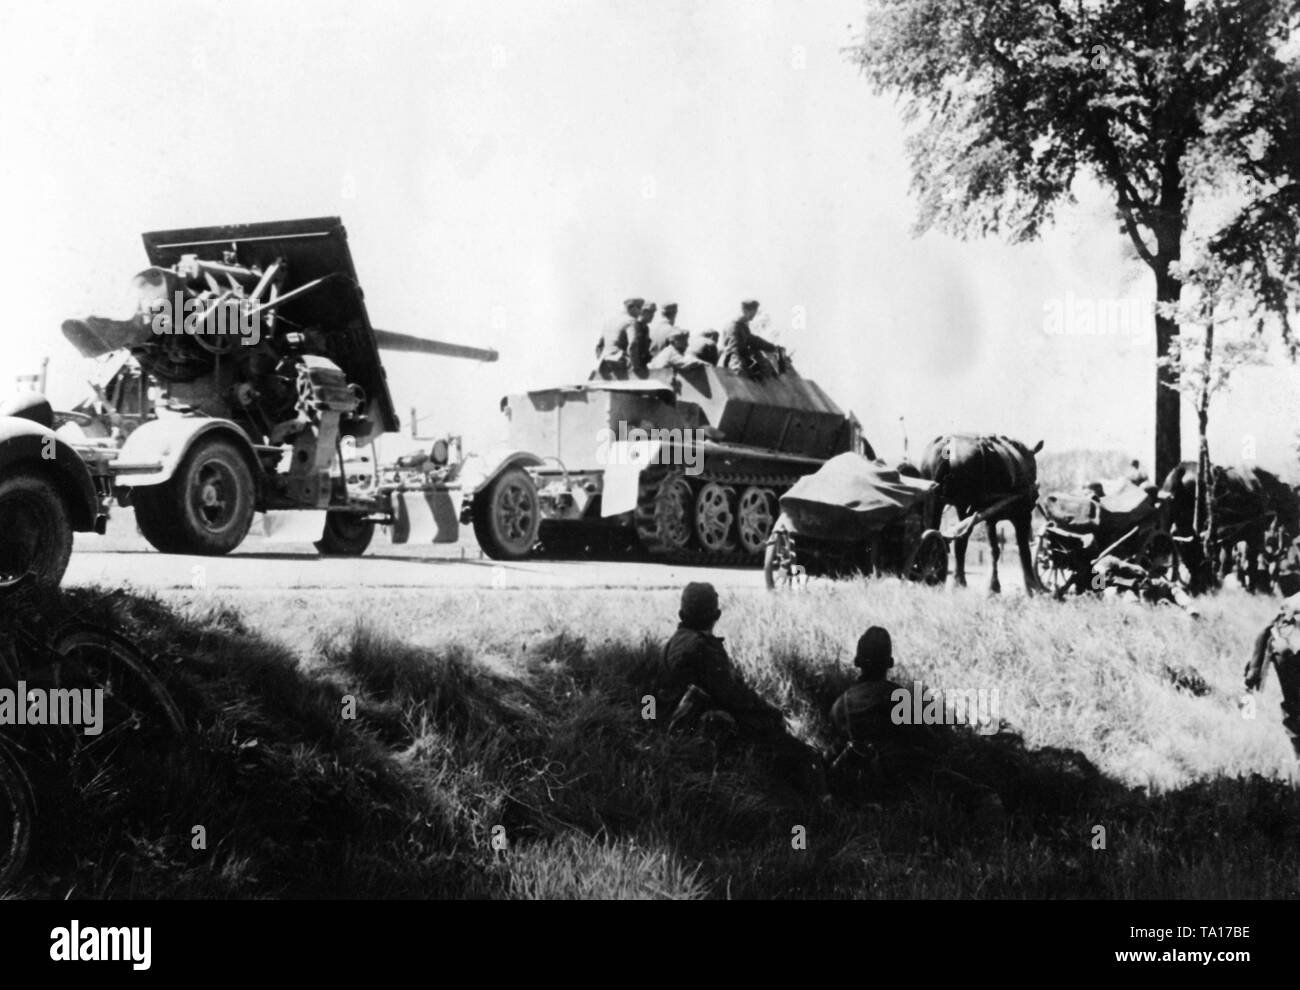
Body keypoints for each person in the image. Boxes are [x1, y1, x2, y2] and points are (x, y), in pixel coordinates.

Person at [645, 582, 825, 792]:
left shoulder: (671, 644)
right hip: (696, 729)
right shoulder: (704, 648)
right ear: (717, 615)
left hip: (672, 727)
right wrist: (772, 714)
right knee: (800, 753)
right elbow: (734, 697)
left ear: (681, 614)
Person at [1245, 593, 1300, 760]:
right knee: (1294, 707)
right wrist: (1255, 667)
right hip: (1288, 654)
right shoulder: (1292, 603)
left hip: (1286, 650)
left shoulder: (1292, 602)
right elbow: (1267, 630)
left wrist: (1255, 666)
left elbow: (1266, 629)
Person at [720, 300, 782, 378]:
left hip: (739, 359)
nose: (752, 318)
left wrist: (772, 347)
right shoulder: (734, 327)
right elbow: (735, 351)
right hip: (734, 363)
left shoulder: (742, 326)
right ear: (745, 311)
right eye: (752, 314)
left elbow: (753, 340)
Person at [594, 298, 642, 380]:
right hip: (620, 362)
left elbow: (599, 346)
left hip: (603, 364)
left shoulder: (610, 321)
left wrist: (602, 358)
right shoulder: (631, 321)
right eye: (639, 308)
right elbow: (633, 344)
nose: (640, 312)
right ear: (631, 307)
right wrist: (636, 367)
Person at [628, 301, 656, 378]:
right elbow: (632, 347)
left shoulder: (646, 328)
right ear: (642, 312)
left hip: (643, 365)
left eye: (653, 313)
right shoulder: (634, 326)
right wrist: (636, 367)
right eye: (649, 312)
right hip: (633, 368)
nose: (652, 315)